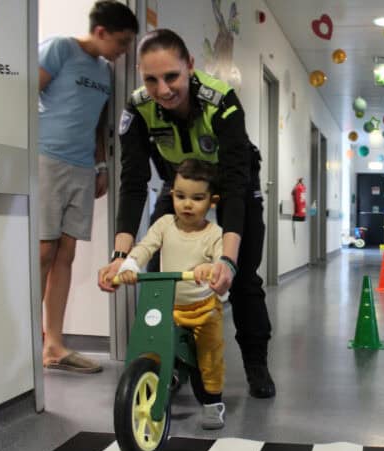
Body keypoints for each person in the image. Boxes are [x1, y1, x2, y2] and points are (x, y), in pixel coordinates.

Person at [97, 28, 276, 398]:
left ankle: (256, 362)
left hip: (233, 187)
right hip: (180, 187)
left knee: (241, 279)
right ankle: (171, 357)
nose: (162, 90)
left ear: (190, 66)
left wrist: (226, 260)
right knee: (157, 277)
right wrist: (119, 256)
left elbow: (235, 187)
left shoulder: (221, 101)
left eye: (172, 76)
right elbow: (132, 184)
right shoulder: (137, 109)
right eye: (151, 79)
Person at [39, 1, 138, 373]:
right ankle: (28, 347)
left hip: (82, 165)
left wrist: (100, 164)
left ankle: (55, 346)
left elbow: (99, 122)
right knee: (43, 251)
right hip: (47, 158)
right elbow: (27, 92)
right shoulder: (60, 48)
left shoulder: (106, 71)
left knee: (66, 253)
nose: (124, 50)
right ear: (101, 32)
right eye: (122, 41)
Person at [116, 160, 227, 429]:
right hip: (169, 306)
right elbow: (145, 246)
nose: (187, 204)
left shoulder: (214, 233)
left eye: (197, 198)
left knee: (209, 354)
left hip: (203, 307)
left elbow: (222, 261)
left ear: (212, 201)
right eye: (180, 196)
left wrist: (209, 268)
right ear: (171, 195)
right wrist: (130, 264)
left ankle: (213, 403)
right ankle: (161, 376)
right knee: (153, 342)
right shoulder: (165, 224)